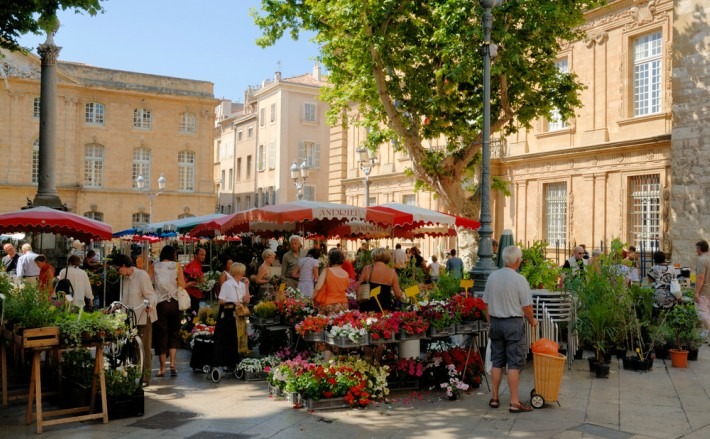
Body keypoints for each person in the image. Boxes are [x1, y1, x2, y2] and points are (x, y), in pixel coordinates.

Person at [482, 245, 537, 413]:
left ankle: (495, 398)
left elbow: (486, 303)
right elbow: (526, 306)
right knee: (513, 363)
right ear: (518, 260)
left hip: (496, 323)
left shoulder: (492, 277)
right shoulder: (520, 279)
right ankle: (514, 401)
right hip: (513, 324)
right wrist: (532, 320)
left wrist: (490, 321)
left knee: (497, 361)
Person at [112, 254, 158, 385]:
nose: (117, 271)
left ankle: (145, 377)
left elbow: (152, 295)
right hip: (130, 318)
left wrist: (149, 304)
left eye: (117, 268)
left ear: (125, 266)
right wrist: (115, 307)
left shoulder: (142, 276)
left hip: (143, 316)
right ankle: (133, 373)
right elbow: (124, 299)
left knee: (144, 347)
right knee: (131, 347)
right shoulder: (125, 279)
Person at [149, 245, 186, 378]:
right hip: (175, 302)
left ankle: (162, 367)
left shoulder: (155, 266)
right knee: (174, 333)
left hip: (160, 303)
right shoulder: (177, 266)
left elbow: (149, 281)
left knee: (161, 334)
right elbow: (182, 284)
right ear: (173, 255)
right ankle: (173, 364)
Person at [313, 249, 350, 361]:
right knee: (339, 333)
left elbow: (318, 287)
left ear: (330, 259)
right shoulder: (346, 273)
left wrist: (312, 297)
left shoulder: (327, 271)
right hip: (343, 306)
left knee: (326, 334)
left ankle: (327, 363)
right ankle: (339, 362)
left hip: (328, 305)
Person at [216, 262, 251, 365]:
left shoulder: (241, 284)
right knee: (232, 336)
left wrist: (247, 286)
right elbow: (221, 300)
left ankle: (240, 355)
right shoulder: (227, 284)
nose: (243, 274)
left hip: (240, 313)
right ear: (238, 272)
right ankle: (231, 359)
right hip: (230, 312)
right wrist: (231, 302)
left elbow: (246, 300)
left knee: (242, 335)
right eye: (242, 272)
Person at [357, 247, 403, 313]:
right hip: (384, 307)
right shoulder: (392, 273)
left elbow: (358, 286)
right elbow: (398, 295)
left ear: (373, 256)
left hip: (367, 306)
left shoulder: (367, 269)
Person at [183, 248, 206, 314]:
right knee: (192, 316)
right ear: (196, 255)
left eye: (204, 255)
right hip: (192, 295)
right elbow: (188, 279)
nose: (203, 257)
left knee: (193, 315)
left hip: (195, 294)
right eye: (201, 255)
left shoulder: (198, 264)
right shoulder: (193, 265)